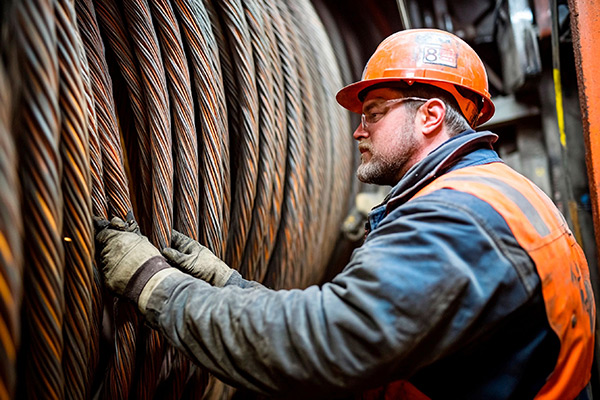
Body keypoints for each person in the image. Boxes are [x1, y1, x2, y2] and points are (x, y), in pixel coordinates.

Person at [95, 29, 596, 399]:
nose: (358, 131)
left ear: (430, 115)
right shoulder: (494, 192)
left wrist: (155, 286)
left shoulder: (458, 221)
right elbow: (367, 324)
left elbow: (321, 347)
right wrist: (229, 286)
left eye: (374, 113)